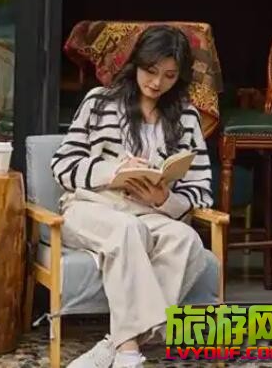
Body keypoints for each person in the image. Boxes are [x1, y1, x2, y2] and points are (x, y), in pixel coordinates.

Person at [52, 25, 213, 368]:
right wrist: (112, 172)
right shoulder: (99, 101)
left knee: (186, 240)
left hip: (150, 211)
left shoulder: (187, 117)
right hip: (92, 207)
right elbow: (62, 165)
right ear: (136, 62)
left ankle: (116, 343)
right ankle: (128, 354)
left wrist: (163, 199)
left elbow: (201, 190)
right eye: (150, 71)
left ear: (180, 77)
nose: (156, 83)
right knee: (128, 230)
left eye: (169, 76)